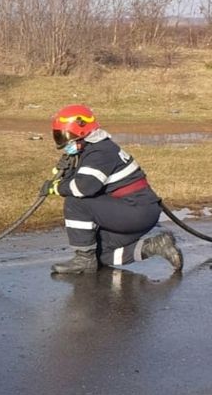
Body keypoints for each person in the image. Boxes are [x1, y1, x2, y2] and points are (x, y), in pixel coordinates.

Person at [43, 104, 183, 274]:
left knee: (75, 202)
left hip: (134, 211)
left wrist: (55, 187)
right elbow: (88, 180)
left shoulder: (100, 152)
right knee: (101, 254)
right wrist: (66, 172)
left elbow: (83, 188)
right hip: (139, 211)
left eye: (66, 135)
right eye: (59, 136)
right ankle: (155, 246)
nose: (64, 142)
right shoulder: (95, 149)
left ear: (81, 132)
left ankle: (83, 259)